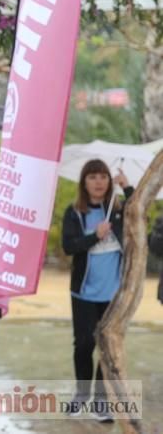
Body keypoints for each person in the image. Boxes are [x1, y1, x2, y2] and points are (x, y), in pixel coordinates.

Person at [62, 159, 131, 421]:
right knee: (84, 344)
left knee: (106, 347)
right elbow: (69, 246)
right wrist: (95, 235)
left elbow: (137, 217)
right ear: (84, 182)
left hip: (113, 294)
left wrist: (129, 189)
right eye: (92, 177)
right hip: (84, 293)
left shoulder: (118, 210)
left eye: (103, 176)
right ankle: (82, 394)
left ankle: (101, 402)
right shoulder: (74, 212)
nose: (99, 182)